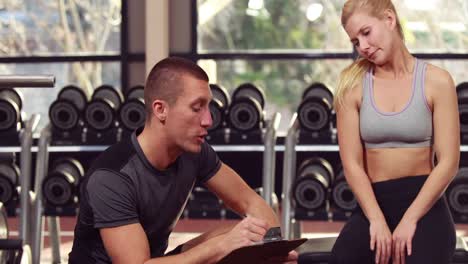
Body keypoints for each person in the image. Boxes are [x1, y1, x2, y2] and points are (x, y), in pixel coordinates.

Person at [68, 57, 298, 264]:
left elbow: (250, 202)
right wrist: (222, 247)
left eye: (208, 108)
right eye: (197, 108)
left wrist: (273, 249)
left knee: (244, 236)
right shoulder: (112, 177)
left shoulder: (194, 152)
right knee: (225, 242)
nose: (208, 120)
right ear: (160, 110)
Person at [330, 0, 459, 263]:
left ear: (389, 20)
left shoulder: (437, 81)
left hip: (425, 207)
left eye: (366, 33)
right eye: (355, 41)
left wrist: (411, 219)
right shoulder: (351, 85)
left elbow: (448, 162)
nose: (362, 46)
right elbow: (352, 163)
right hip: (372, 204)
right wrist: (375, 219)